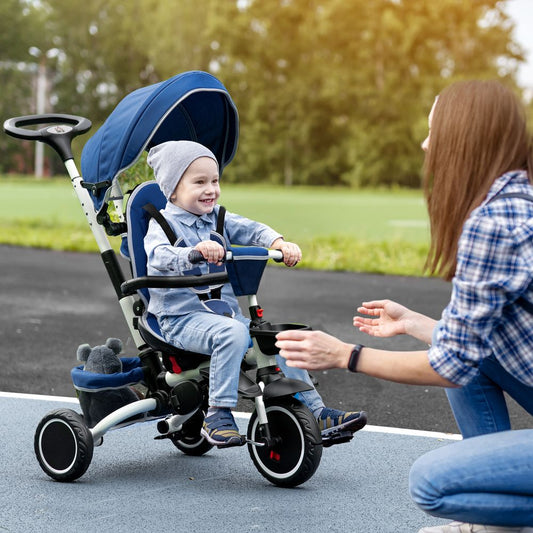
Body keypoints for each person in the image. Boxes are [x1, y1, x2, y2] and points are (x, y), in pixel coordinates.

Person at [275, 80, 533, 531]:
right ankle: (497, 526)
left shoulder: (492, 223)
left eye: (435, 131)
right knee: (473, 357)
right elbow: (470, 344)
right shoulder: (517, 200)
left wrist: (345, 356)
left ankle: (499, 522)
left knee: (432, 483)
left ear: (464, 139)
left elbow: (450, 365)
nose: (425, 144)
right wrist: (415, 323)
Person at [144, 140, 366, 448]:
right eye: (199, 182)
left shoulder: (217, 218)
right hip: (178, 318)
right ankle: (219, 412)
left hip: (223, 317)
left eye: (215, 181)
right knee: (233, 334)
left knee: (279, 340)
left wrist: (278, 242)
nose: (211, 189)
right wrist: (192, 253)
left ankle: (317, 412)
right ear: (172, 190)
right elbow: (157, 257)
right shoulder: (163, 224)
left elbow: (253, 230)